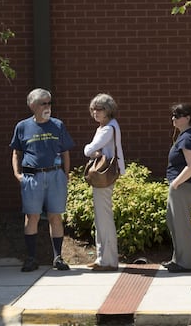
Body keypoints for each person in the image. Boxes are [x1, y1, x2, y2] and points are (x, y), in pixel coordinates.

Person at [10, 88, 75, 272]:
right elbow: (16, 152)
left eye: (49, 103)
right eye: (43, 103)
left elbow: (65, 151)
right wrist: (17, 174)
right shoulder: (22, 126)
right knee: (32, 216)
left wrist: (66, 174)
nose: (48, 106)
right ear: (32, 106)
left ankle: (58, 258)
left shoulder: (58, 125)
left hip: (55, 175)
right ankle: (31, 258)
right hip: (31, 177)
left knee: (56, 216)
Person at [83, 93, 126, 272]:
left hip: (105, 176)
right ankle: (102, 258)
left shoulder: (108, 128)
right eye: (93, 109)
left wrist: (92, 151)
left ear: (107, 110)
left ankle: (108, 260)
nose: (95, 112)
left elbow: (89, 149)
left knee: (104, 217)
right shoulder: (106, 126)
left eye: (98, 109)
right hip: (104, 175)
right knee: (101, 217)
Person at [162, 103, 191, 273]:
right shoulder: (185, 136)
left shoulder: (187, 138)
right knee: (174, 222)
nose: (174, 118)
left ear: (187, 118)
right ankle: (177, 259)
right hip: (181, 186)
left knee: (181, 224)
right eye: (173, 115)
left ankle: (186, 263)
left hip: (183, 186)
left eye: (177, 115)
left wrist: (176, 183)